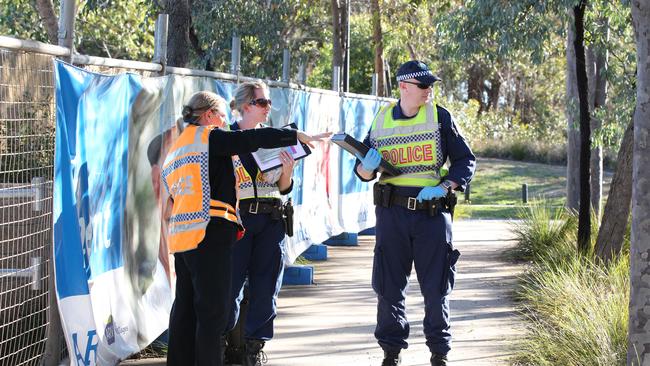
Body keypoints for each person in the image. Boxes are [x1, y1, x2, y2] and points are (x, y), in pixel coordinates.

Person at [161, 91, 329, 366]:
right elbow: (251, 139)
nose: (224, 121)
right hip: (209, 232)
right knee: (212, 314)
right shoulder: (208, 137)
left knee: (185, 312)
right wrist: (293, 136)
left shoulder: (179, 146)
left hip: (183, 237)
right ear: (208, 115)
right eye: (221, 115)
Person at [354, 60, 476, 366]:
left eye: (431, 86)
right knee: (388, 287)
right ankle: (390, 353)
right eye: (424, 86)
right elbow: (363, 170)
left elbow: (465, 160)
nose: (429, 92)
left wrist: (447, 185)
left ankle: (439, 353)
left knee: (436, 289)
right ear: (404, 87)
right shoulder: (381, 119)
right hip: (391, 214)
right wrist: (366, 169)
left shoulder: (440, 117)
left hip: (431, 214)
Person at [224, 81, 295, 366]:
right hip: (237, 220)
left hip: (271, 219)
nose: (268, 108)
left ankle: (254, 349)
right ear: (245, 106)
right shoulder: (224, 137)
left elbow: (284, 187)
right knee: (230, 286)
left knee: (267, 287)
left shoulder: (272, 138)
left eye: (268, 103)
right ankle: (226, 345)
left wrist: (287, 171)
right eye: (262, 103)